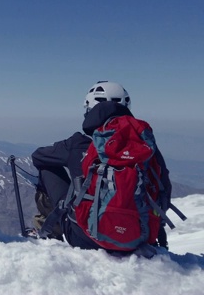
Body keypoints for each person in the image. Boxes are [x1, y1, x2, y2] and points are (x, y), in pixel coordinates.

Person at [31, 81, 172, 250]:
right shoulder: (146, 148)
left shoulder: (78, 144)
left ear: (90, 108)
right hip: (139, 238)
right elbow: (164, 192)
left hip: (85, 237)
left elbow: (38, 157)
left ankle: (51, 232)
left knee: (47, 167)